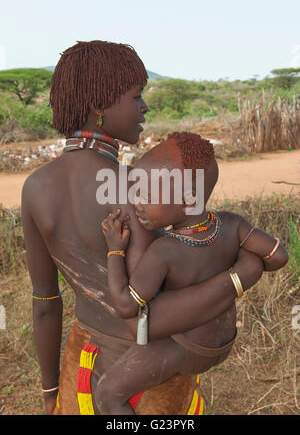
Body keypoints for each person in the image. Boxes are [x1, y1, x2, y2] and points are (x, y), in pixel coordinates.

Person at [21, 40, 264, 416]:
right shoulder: (141, 191)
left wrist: (51, 389)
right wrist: (241, 275)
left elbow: (44, 303)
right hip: (151, 377)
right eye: (136, 97)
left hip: (81, 371)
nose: (144, 108)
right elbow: (182, 287)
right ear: (98, 105)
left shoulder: (34, 188)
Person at [97, 131, 289, 415]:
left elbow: (127, 305)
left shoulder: (164, 251)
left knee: (108, 394)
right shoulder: (232, 224)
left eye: (146, 195)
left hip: (185, 350)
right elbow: (278, 256)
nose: (136, 202)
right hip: (223, 342)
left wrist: (114, 250)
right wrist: (244, 267)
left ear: (187, 200)